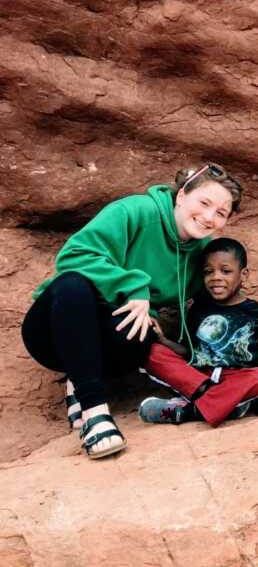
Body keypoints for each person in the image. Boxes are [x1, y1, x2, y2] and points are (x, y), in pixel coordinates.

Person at [21, 163, 243, 458]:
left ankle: (80, 377)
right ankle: (95, 412)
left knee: (142, 333)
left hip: (102, 344)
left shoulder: (202, 254)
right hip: (52, 331)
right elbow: (73, 256)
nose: (208, 217)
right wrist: (133, 286)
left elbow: (209, 307)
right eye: (204, 203)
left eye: (220, 213)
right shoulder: (136, 211)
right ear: (181, 196)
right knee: (73, 284)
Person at [138, 238, 258, 426]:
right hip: (200, 379)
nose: (216, 277)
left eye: (226, 271)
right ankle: (221, 404)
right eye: (208, 272)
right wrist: (162, 339)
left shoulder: (256, 313)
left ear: (243, 274)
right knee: (152, 352)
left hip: (236, 379)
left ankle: (189, 411)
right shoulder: (198, 309)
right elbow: (190, 352)